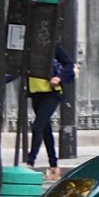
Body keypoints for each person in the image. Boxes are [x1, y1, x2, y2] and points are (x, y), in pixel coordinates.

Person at [27, 42, 75, 179]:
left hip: (52, 93)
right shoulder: (27, 48)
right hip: (36, 92)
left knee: (37, 126)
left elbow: (69, 64)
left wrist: (58, 77)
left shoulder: (52, 45)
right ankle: (54, 166)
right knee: (45, 130)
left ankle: (30, 162)